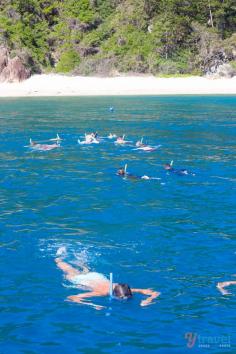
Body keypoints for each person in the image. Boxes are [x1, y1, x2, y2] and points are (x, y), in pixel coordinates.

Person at [55, 247, 160, 310]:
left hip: (96, 276)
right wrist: (92, 304)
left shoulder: (124, 289)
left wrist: (148, 300)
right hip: (82, 280)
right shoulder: (101, 293)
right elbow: (72, 297)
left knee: (85, 270)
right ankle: (58, 258)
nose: (124, 299)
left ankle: (80, 259)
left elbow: (154, 292)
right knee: (68, 270)